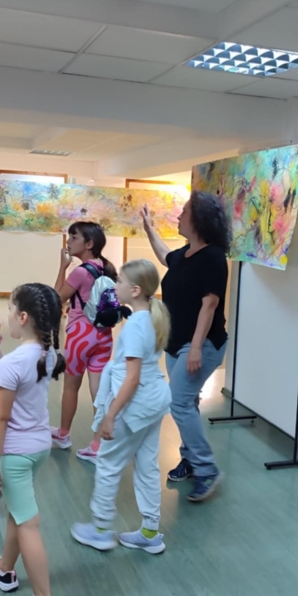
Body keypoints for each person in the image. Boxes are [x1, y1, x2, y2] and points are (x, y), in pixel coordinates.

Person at [0, 283, 65, 596]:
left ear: (23, 317)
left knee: (28, 522)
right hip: (39, 447)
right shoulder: (47, 354)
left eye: (11, 309)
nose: (9, 315)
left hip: (15, 454)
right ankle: (4, 569)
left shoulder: (16, 363)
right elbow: (14, 384)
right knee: (19, 511)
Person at [70, 260, 173, 554]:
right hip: (154, 401)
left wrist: (110, 415)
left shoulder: (136, 327)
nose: (115, 286)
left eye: (120, 282)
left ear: (135, 290)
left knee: (108, 463)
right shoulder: (150, 318)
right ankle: (150, 532)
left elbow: (131, 378)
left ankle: (101, 530)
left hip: (136, 405)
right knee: (147, 465)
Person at [141, 192, 230, 502]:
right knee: (187, 402)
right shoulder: (184, 254)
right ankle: (190, 460)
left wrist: (195, 348)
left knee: (178, 402)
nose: (179, 216)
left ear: (199, 219)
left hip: (201, 344)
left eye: (185, 212)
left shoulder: (213, 257)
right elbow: (165, 255)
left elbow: (210, 305)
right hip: (176, 342)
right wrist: (149, 229)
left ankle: (207, 469)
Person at [52, 221, 118, 463]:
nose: (68, 241)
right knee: (99, 391)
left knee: (71, 387)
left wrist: (62, 267)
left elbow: (56, 299)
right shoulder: (107, 268)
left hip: (80, 334)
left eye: (74, 237)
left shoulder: (80, 272)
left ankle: (63, 434)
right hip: (104, 335)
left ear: (89, 244)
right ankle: (98, 444)